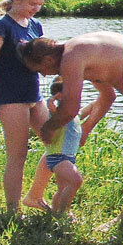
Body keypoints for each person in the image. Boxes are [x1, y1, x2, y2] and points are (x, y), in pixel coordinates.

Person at [17, 32, 123, 224]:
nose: (44, 75)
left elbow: (71, 108)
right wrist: (86, 128)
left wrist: (47, 129)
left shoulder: (71, 57)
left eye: (39, 70)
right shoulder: (82, 51)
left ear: (47, 59)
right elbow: (108, 96)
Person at [0, 0, 50, 213]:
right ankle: (13, 210)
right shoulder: (2, 26)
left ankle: (35, 196)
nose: (35, 9)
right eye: (32, 4)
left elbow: (40, 60)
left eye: (39, 5)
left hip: (34, 95)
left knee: (56, 144)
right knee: (18, 154)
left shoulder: (35, 26)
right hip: (10, 98)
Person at [43, 79, 100, 215]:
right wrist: (51, 101)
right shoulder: (58, 113)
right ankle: (63, 213)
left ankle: (55, 212)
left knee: (63, 188)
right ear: (60, 96)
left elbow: (93, 106)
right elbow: (52, 113)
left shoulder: (73, 114)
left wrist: (102, 86)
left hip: (66, 157)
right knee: (76, 181)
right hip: (58, 157)